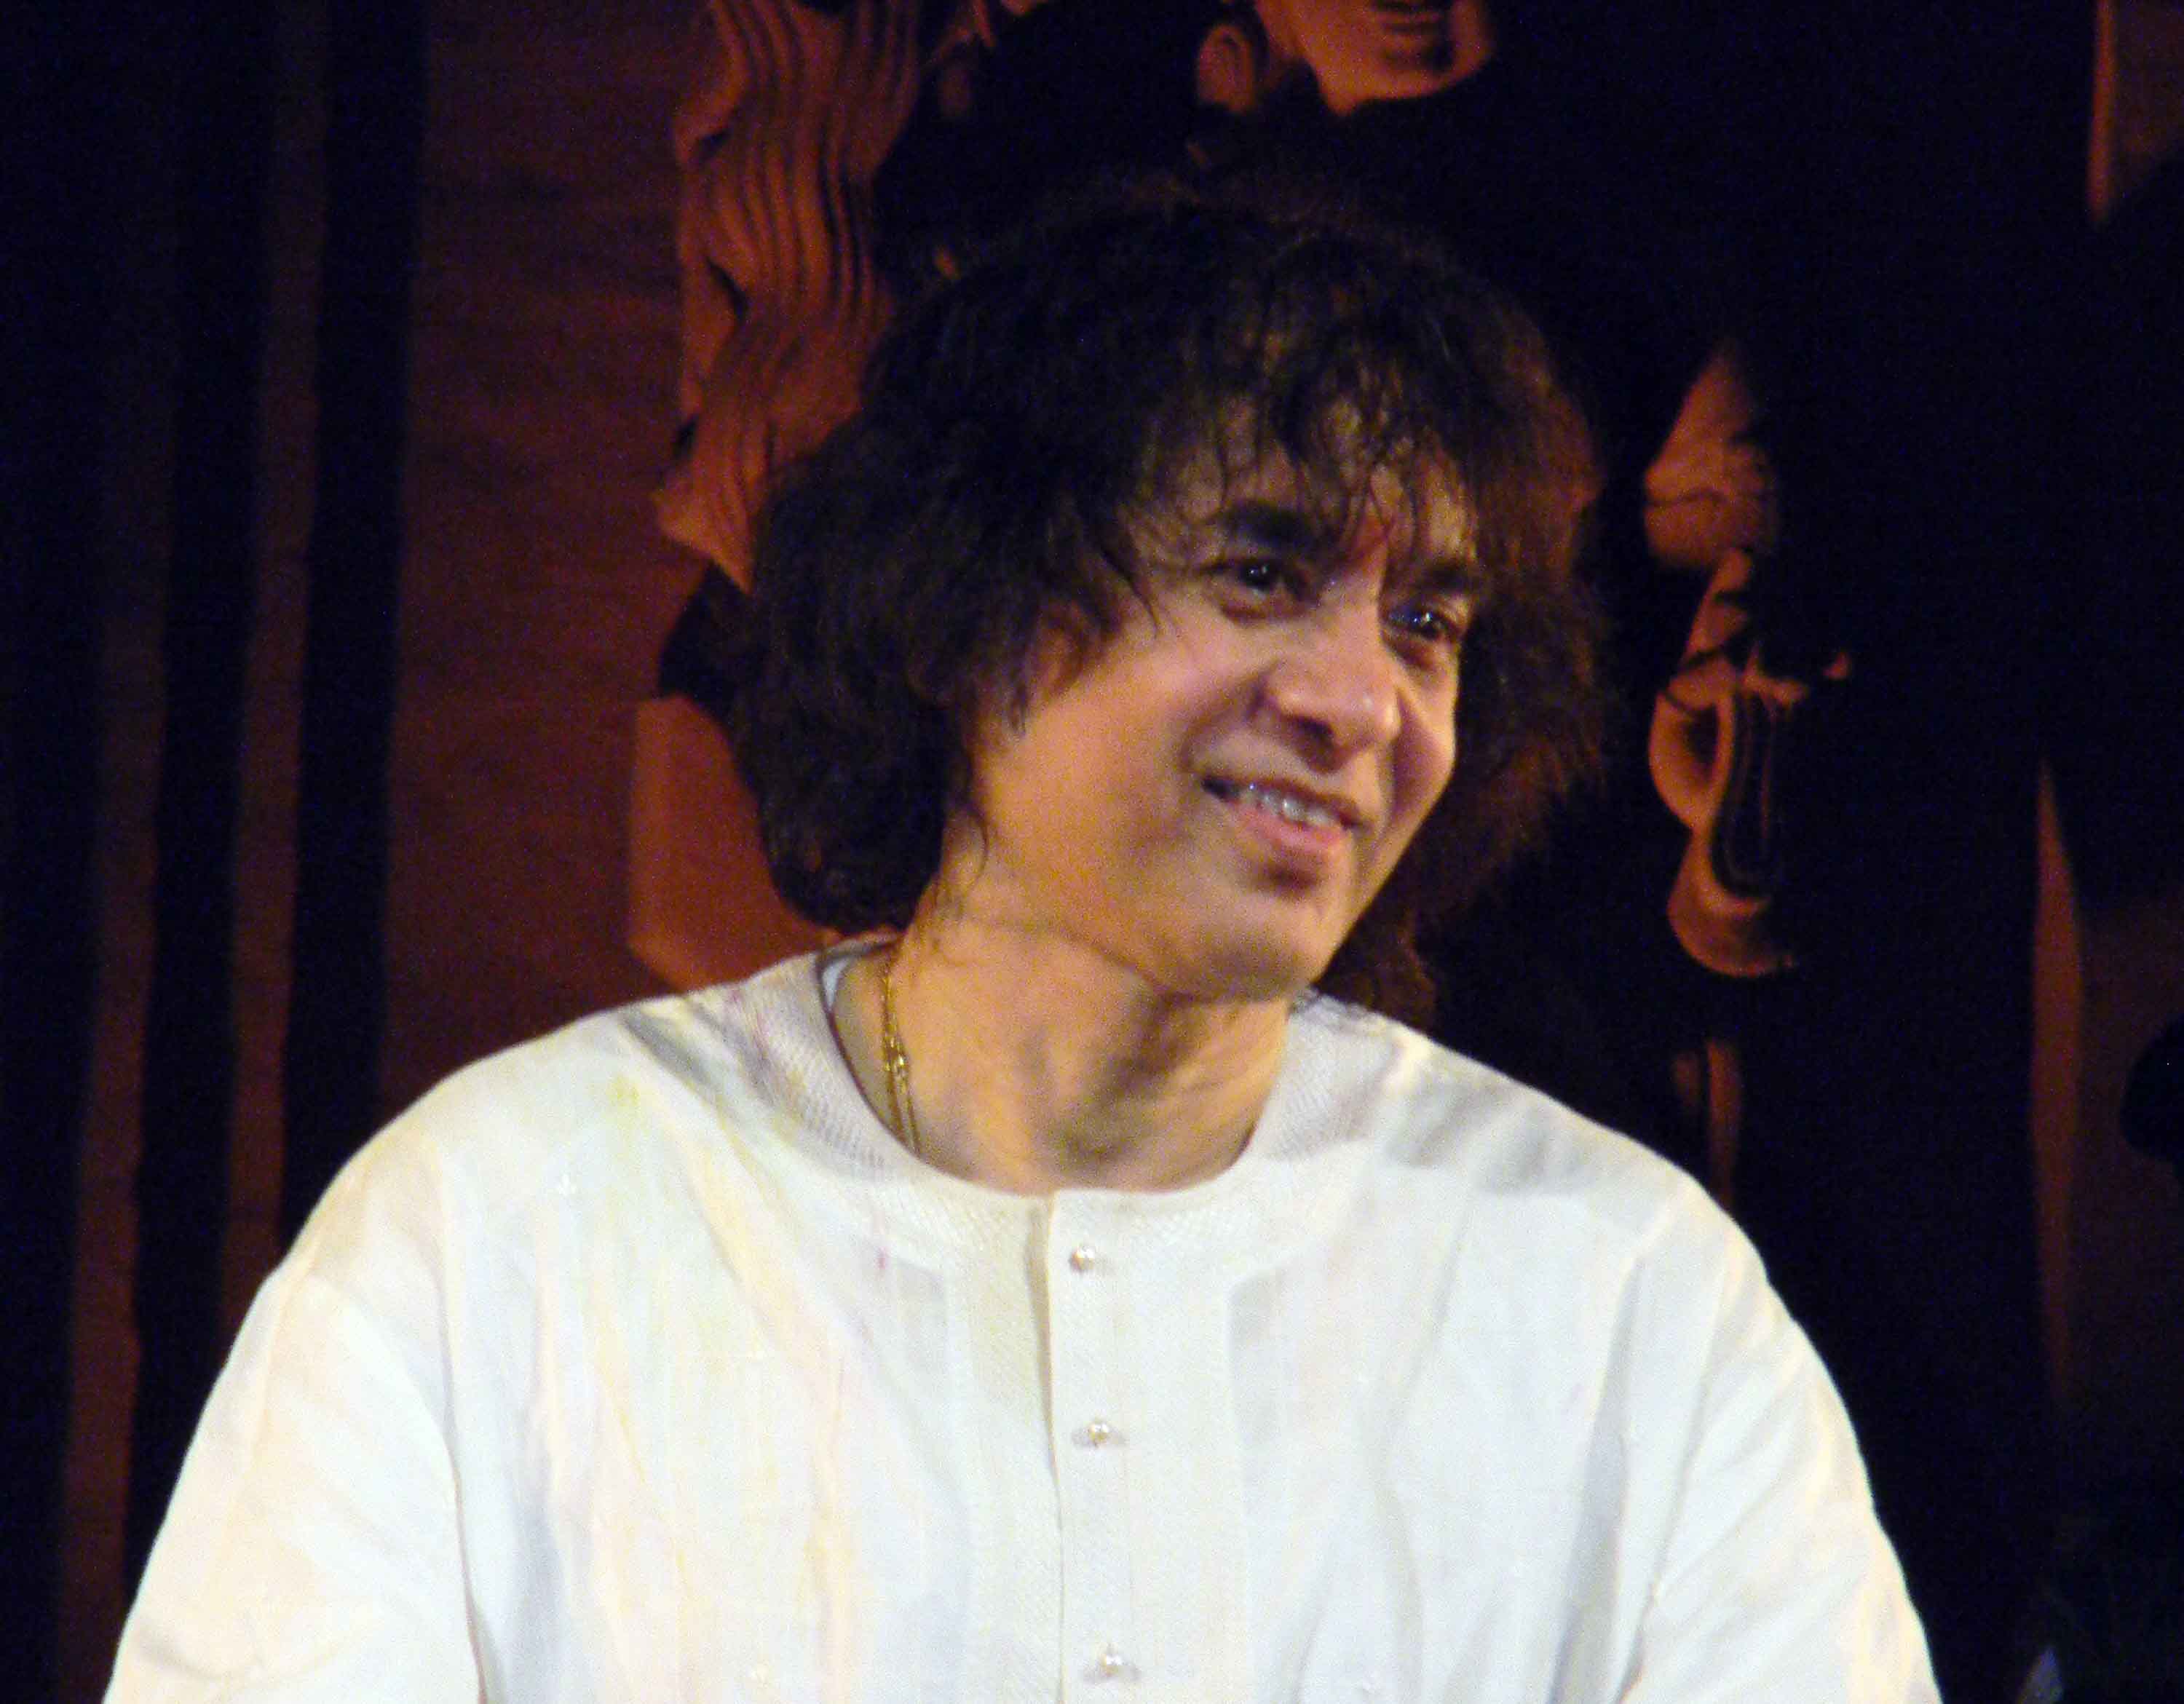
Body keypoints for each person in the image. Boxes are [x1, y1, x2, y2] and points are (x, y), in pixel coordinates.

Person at [106, 181, 1935, 1700]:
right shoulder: (502, 1230)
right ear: (968, 610)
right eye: (1262, 574)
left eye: (1429, 625)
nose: (1363, 703)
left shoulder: (1626, 1302)